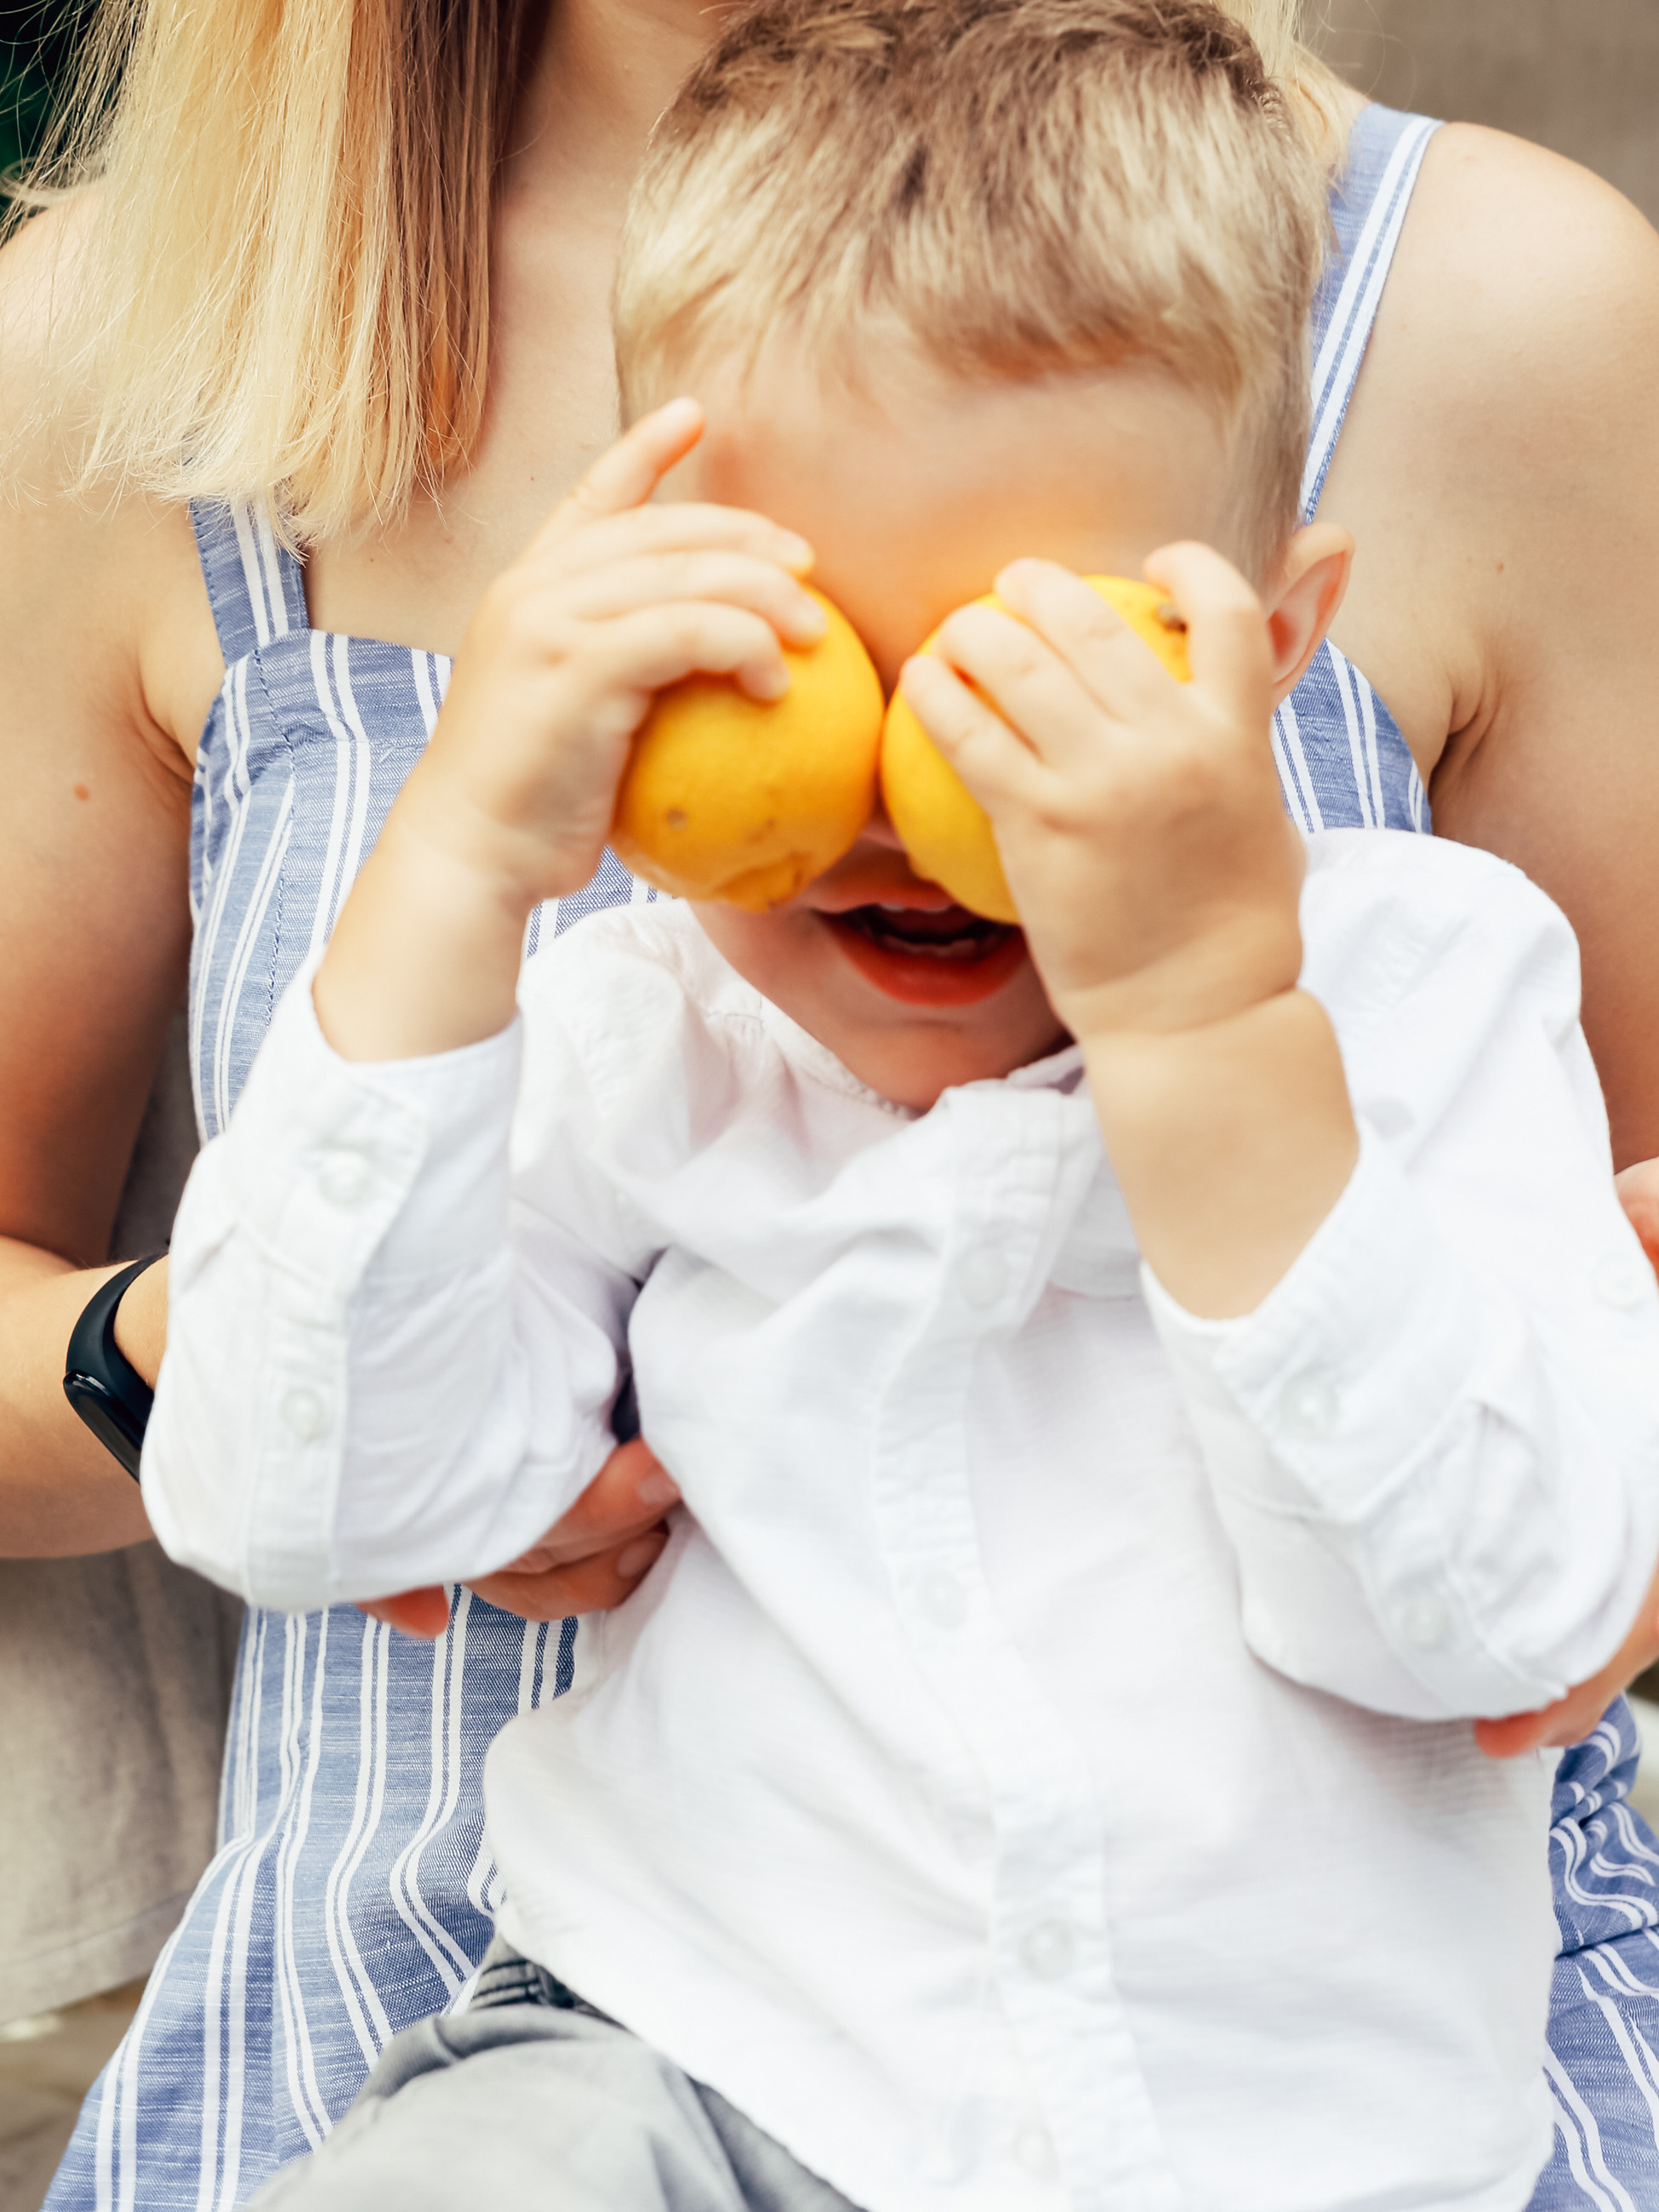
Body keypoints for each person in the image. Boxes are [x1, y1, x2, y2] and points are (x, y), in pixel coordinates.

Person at [0, 0, 1652, 2201]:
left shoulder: (1434, 929)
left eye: (1020, 663)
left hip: (1302, 2098)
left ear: (1286, 622)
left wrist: (1209, 1036)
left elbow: (1527, 1561)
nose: (903, 797)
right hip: (592, 2034)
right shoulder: (628, 1011)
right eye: (796, 662)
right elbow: (305, 1485)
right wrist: (456, 876)